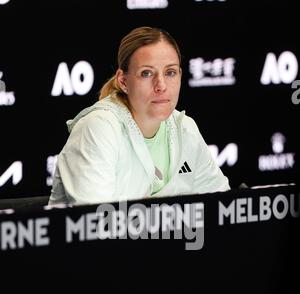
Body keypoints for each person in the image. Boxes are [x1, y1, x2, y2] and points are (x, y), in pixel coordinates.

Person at [49, 26, 230, 206]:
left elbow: (225, 210)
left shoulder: (186, 128)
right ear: (123, 81)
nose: (161, 85)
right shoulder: (99, 128)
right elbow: (94, 224)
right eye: (146, 73)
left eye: (170, 72)